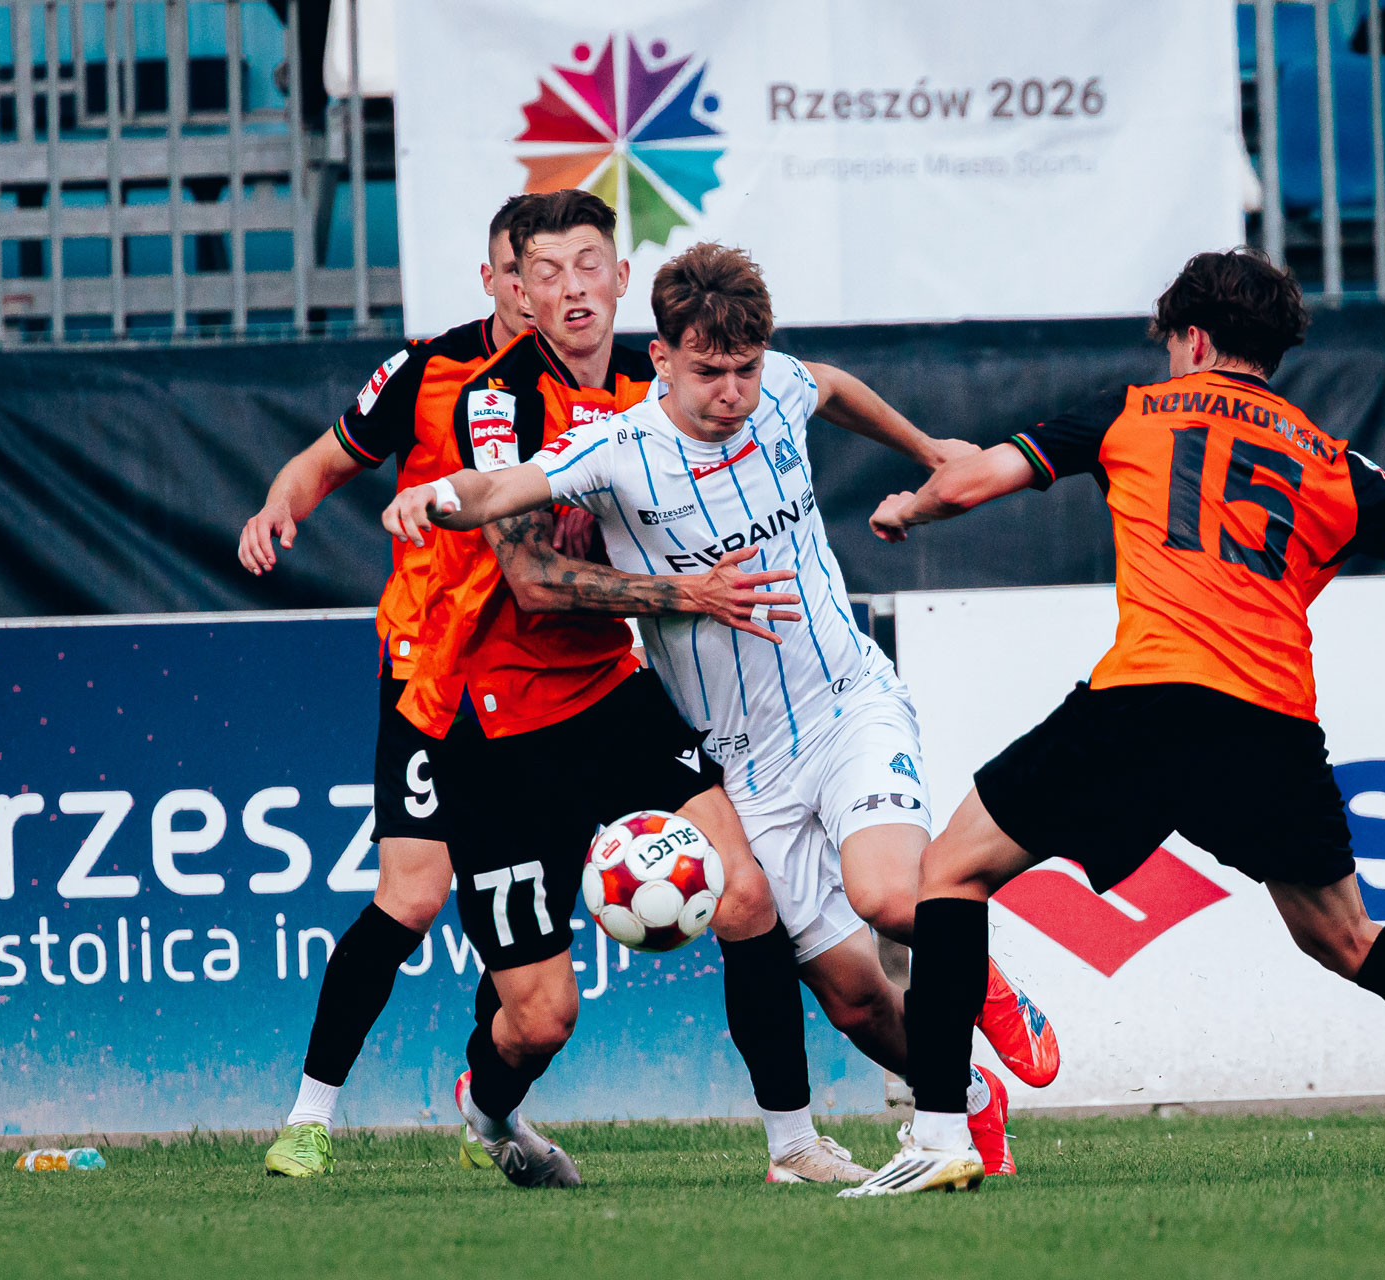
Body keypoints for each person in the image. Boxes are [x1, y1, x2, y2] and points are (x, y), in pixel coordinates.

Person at [838, 247, 1385, 1196]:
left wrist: (910, 508)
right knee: (1348, 938)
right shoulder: (1332, 460)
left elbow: (971, 482)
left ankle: (939, 1136)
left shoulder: (1133, 410)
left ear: (1196, 339)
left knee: (951, 875)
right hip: (1270, 730)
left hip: (1144, 704)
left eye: (1173, 342)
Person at [383, 235, 1064, 1179]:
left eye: (745, 368)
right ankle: (970, 1098)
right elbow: (504, 485)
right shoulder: (620, 449)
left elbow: (831, 385)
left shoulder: (776, 386)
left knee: (890, 896)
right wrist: (437, 496)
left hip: (846, 704)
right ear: (662, 359)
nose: (734, 391)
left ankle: (982, 984)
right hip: (743, 759)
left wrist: (924, 449)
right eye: (709, 372)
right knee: (854, 999)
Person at [243, 195, 538, 1177]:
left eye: (550, 271)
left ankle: (486, 1103)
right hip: (430, 666)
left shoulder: (608, 380)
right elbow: (323, 461)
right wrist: (278, 506)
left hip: (547, 676)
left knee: (531, 903)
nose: (534, 289)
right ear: (491, 278)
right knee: (411, 896)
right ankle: (309, 1115)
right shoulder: (427, 368)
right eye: (517, 270)